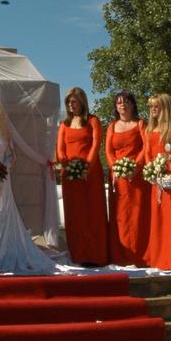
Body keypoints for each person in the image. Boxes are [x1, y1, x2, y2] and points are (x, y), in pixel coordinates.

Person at [0, 96, 57, 274]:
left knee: (1, 216)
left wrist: (2, 169)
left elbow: (11, 156)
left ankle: (2, 257)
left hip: (2, 180)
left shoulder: (4, 132)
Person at [56, 87, 109, 266]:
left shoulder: (93, 120)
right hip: (70, 175)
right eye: (69, 102)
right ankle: (78, 254)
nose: (71, 105)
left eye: (74, 101)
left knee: (92, 212)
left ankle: (96, 254)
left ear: (82, 102)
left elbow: (96, 144)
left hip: (90, 174)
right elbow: (60, 150)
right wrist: (68, 165)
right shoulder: (64, 124)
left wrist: (86, 166)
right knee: (75, 214)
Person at [105, 91, 150, 266]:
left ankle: (139, 255)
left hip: (136, 177)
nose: (122, 105)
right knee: (121, 216)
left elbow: (146, 147)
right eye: (118, 103)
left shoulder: (140, 124)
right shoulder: (111, 126)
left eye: (126, 102)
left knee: (137, 215)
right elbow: (108, 151)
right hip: (118, 177)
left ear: (133, 104)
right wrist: (115, 168)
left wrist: (136, 168)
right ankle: (120, 255)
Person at [144, 93, 171, 270]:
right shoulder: (149, 129)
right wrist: (151, 169)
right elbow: (146, 152)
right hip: (156, 180)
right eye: (151, 106)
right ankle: (159, 259)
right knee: (157, 221)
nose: (153, 109)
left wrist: (166, 167)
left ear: (164, 108)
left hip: (169, 180)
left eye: (156, 106)